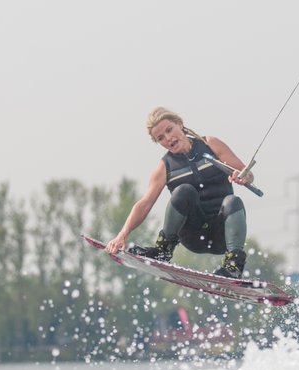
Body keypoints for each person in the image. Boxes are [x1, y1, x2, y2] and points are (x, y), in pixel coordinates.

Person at [105, 107, 255, 279]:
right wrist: (122, 235)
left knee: (233, 201)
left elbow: (247, 174)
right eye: (161, 138)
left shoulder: (211, 144)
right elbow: (144, 204)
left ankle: (233, 266)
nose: (168, 138)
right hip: (194, 236)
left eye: (169, 130)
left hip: (223, 235)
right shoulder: (165, 167)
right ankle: (162, 251)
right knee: (184, 191)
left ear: (180, 124)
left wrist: (243, 177)